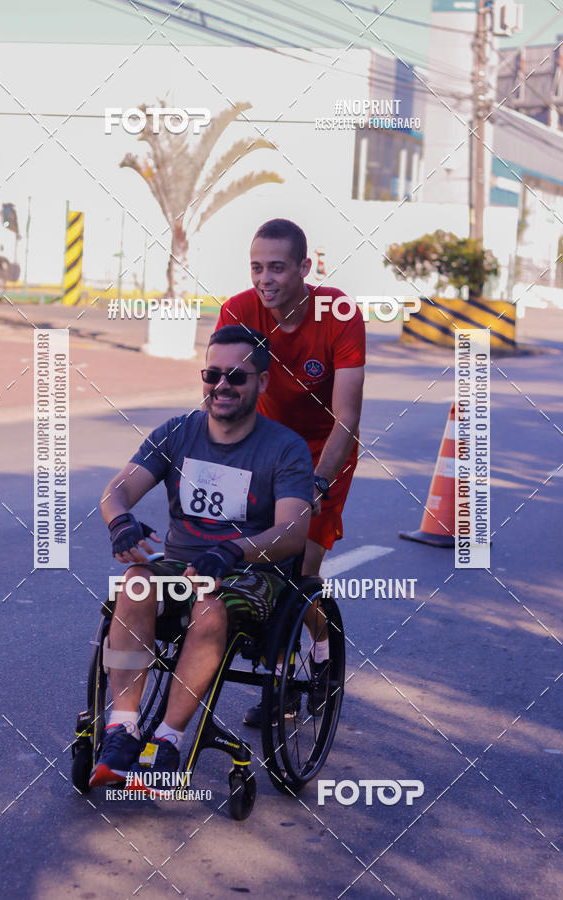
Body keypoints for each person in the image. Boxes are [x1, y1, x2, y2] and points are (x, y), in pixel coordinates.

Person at [89, 325, 313, 789]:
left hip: (252, 571)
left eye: (237, 376)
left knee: (210, 607)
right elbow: (118, 489)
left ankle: (167, 740)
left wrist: (233, 549)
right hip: (182, 565)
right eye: (213, 375)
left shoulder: (285, 448)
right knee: (134, 581)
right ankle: (122, 730)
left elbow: (293, 532)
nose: (222, 386)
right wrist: (119, 521)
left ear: (262, 382)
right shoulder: (177, 433)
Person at [216, 218, 365, 727]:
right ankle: (276, 679)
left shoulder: (339, 313)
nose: (265, 278)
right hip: (266, 449)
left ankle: (322, 655)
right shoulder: (238, 309)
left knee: (300, 572)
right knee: (254, 565)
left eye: (276, 267)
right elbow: (221, 394)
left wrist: (316, 483)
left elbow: (347, 415)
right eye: (256, 267)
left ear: (306, 267)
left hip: (325, 452)